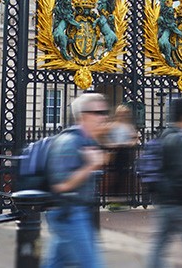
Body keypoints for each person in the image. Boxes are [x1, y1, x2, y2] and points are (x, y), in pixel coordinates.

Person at [45, 92, 110, 268]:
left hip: (76, 212)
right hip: (70, 213)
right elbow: (60, 185)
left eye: (105, 112)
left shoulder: (86, 141)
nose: (103, 117)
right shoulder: (69, 142)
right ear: (83, 115)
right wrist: (91, 165)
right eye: (98, 113)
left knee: (56, 263)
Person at [147, 98, 182, 268]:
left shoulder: (165, 135)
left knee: (160, 242)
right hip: (178, 201)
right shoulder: (179, 139)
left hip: (164, 197)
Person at [104, 104, 139, 210]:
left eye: (125, 113)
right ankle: (113, 201)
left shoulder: (129, 127)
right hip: (115, 152)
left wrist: (130, 143)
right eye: (121, 113)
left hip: (125, 152)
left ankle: (122, 200)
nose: (123, 115)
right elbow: (104, 137)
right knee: (114, 177)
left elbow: (135, 139)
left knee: (124, 176)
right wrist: (111, 145)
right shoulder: (113, 125)